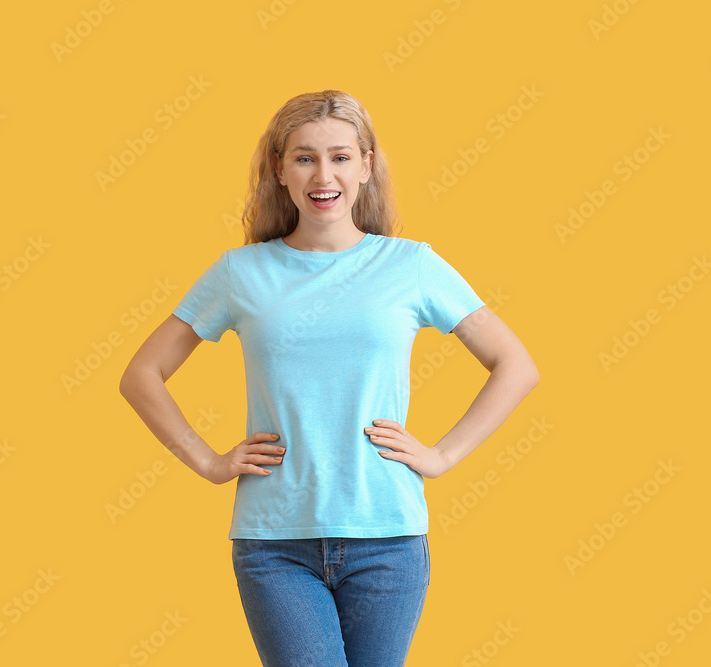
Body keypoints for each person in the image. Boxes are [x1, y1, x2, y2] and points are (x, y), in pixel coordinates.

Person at [118, 89, 539, 667]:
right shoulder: (241, 272)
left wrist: (441, 455)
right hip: (275, 542)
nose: (324, 174)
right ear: (279, 169)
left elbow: (516, 365)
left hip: (387, 537)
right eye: (304, 157)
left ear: (367, 165)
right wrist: (210, 462)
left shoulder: (410, 265)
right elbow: (142, 374)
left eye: (341, 156)